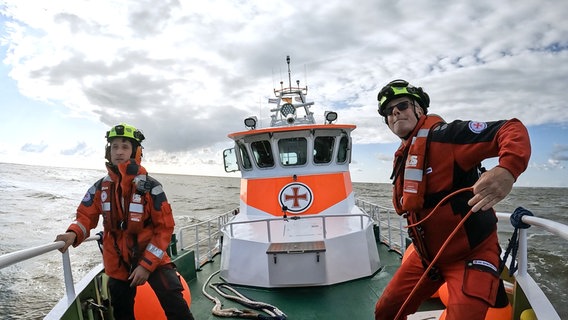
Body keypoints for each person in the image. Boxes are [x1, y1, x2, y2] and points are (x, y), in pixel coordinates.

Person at [373, 80, 531, 320]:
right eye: (388, 111)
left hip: (471, 254)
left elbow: (511, 129)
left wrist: (508, 170)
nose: (394, 112)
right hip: (426, 256)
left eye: (402, 105)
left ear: (419, 110)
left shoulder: (449, 137)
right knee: (385, 312)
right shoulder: (404, 155)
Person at [55, 123, 194, 320]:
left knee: (174, 300)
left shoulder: (151, 187)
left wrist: (146, 265)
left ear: (136, 152)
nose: (119, 151)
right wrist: (73, 233)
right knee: (121, 310)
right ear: (108, 151)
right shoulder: (100, 188)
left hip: (152, 256)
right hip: (118, 261)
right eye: (114, 147)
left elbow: (165, 228)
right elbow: (86, 216)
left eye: (125, 146)